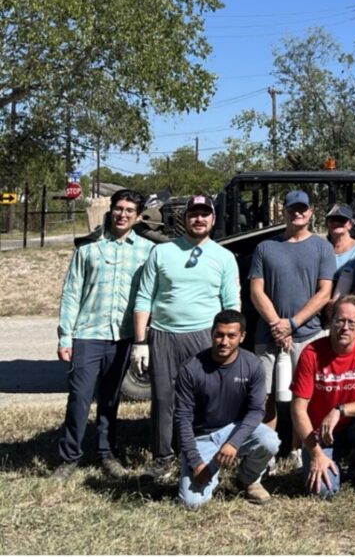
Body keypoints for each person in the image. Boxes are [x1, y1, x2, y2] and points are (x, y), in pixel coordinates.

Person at [133, 194, 241, 482]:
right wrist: (140, 342)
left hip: (205, 337)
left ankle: (198, 453)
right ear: (185, 218)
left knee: (204, 399)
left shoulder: (224, 257)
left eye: (205, 214)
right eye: (194, 213)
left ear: (213, 220)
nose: (199, 219)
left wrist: (229, 340)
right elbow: (145, 296)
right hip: (164, 335)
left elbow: (231, 304)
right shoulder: (162, 252)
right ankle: (162, 458)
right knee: (163, 398)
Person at [52, 189, 154, 480]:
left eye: (129, 211)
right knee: (79, 398)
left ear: (137, 217)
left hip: (122, 337)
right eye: (119, 209)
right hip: (87, 333)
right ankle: (69, 457)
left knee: (110, 400)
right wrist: (64, 337)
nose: (122, 215)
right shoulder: (88, 248)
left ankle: (107, 453)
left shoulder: (147, 250)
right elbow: (71, 294)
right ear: (111, 210)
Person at [249, 189, 334, 473]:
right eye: (292, 208)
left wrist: (293, 323)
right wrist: (277, 324)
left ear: (311, 212)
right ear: (283, 212)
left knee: (303, 397)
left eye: (303, 209)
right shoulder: (265, 247)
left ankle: (298, 450)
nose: (298, 213)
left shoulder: (323, 247)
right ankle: (267, 452)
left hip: (308, 335)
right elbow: (256, 290)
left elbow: (324, 293)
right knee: (266, 397)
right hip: (268, 336)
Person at [174, 310, 280, 508]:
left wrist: (233, 442)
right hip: (202, 437)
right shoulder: (191, 369)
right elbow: (182, 419)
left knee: (269, 440)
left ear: (242, 337)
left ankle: (248, 479)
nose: (224, 341)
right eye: (219, 335)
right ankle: (207, 472)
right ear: (211, 334)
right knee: (191, 504)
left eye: (231, 336)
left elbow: (257, 410)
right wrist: (196, 462)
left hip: (235, 430)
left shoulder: (253, 365)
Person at [290, 295, 355, 498]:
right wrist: (316, 454)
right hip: (320, 436)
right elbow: (298, 410)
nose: (345, 327)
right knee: (322, 492)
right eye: (340, 320)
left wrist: (340, 410)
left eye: (351, 323)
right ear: (331, 320)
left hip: (354, 428)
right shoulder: (311, 353)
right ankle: (328, 464)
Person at [325, 203, 355, 312]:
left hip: (349, 313)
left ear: (350, 224)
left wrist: (339, 306)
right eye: (332, 219)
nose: (336, 223)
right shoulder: (321, 249)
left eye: (341, 220)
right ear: (327, 223)